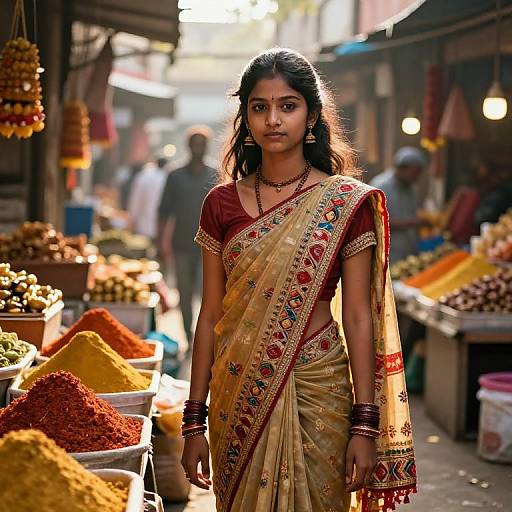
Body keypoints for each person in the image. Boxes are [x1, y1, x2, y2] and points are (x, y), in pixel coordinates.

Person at [180, 49, 416, 512]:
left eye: (288, 106)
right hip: (237, 393)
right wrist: (194, 423)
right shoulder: (220, 205)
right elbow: (209, 315)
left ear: (311, 114)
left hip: (319, 389)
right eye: (259, 106)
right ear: (245, 116)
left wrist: (365, 425)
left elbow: (358, 316)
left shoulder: (344, 202)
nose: (273, 119)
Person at [158, 126, 217, 347]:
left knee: (207, 295)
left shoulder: (215, 175)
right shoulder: (175, 176)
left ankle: (205, 338)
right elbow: (163, 212)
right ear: (189, 146)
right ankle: (189, 337)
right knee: (184, 294)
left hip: (210, 248)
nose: (199, 148)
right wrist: (159, 243)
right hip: (181, 245)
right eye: (195, 143)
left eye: (203, 144)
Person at [370, 147, 427, 264]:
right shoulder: (381, 186)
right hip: (388, 255)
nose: (417, 178)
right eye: (414, 173)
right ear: (402, 168)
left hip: (408, 253)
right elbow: (375, 221)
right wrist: (413, 223)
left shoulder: (410, 188)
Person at [127, 157, 169, 240]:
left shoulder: (144, 176)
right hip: (157, 227)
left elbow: (135, 200)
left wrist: (132, 217)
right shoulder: (166, 178)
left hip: (143, 225)